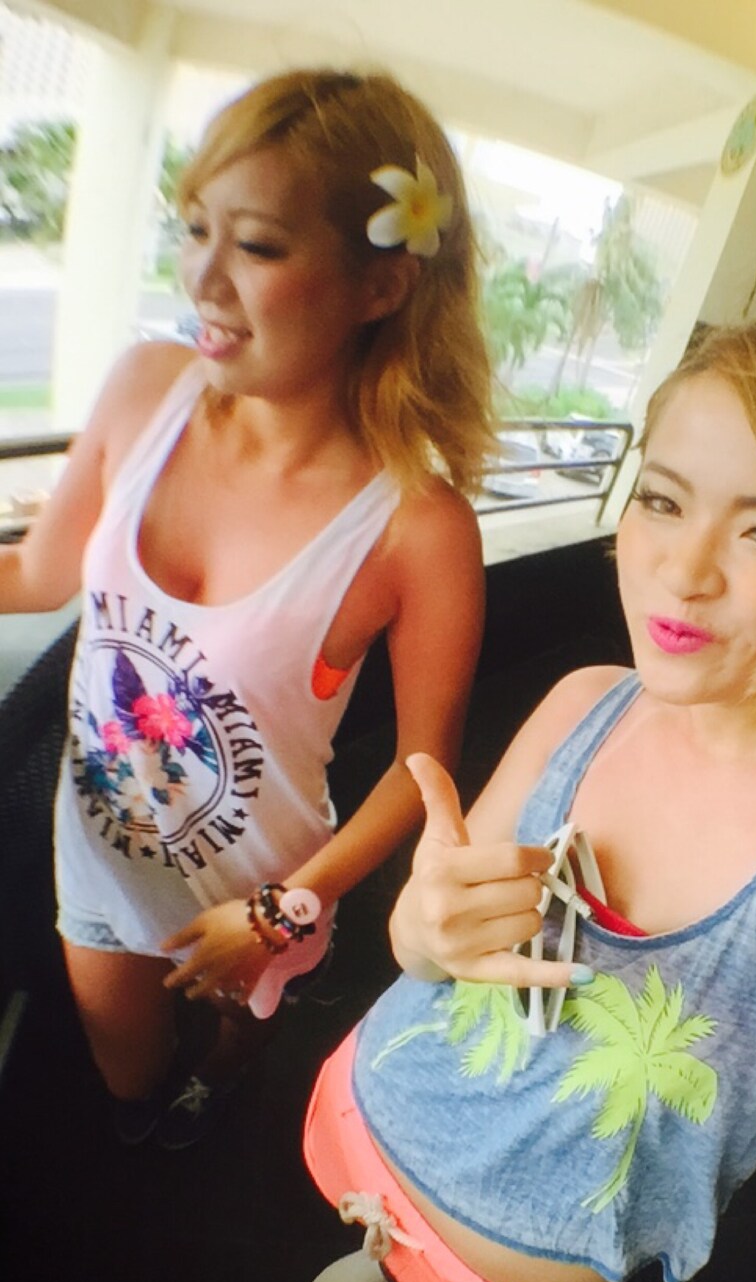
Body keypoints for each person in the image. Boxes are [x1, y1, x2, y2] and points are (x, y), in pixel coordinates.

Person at [303, 314, 756, 1282]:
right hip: (369, 1106)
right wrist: (421, 927)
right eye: (662, 500)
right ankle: (385, 1244)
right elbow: (420, 946)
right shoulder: (586, 700)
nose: (682, 569)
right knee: (376, 1219)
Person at [0, 68, 493, 1149]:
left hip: (265, 884)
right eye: (194, 230)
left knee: (230, 1052)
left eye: (258, 246)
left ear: (382, 284)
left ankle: (221, 1090)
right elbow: (37, 574)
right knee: (128, 1077)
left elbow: (424, 772)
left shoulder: (417, 527)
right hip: (98, 852)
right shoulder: (145, 390)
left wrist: (278, 914)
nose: (202, 277)